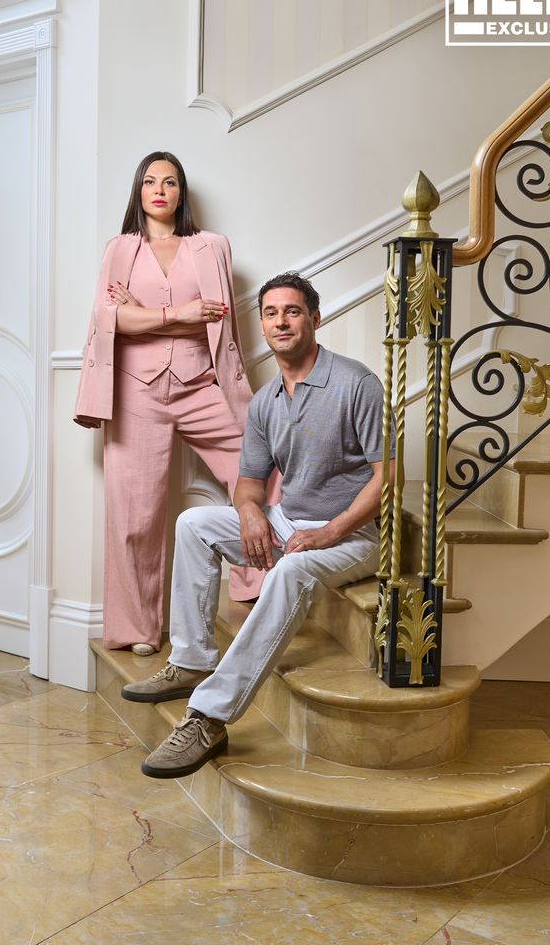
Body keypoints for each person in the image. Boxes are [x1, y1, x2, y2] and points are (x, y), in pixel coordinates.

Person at [121, 272, 394, 778]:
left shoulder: (357, 383)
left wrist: (330, 532)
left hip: (355, 535)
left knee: (290, 573)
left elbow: (387, 479)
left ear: (315, 318)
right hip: (289, 520)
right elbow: (248, 483)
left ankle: (208, 716)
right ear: (263, 326)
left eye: (292, 311)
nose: (280, 322)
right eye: (271, 313)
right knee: (194, 523)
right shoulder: (267, 401)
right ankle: (191, 658)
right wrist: (250, 512)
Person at [73, 151, 261, 655]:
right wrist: (181, 312)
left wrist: (146, 314)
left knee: (258, 467)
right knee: (134, 515)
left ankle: (257, 583)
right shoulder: (120, 249)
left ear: (182, 193)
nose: (160, 189)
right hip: (137, 389)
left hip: (203, 383)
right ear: (138, 191)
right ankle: (137, 627)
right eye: (150, 181)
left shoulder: (211, 246)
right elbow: (109, 321)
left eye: (171, 182)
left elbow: (214, 319)